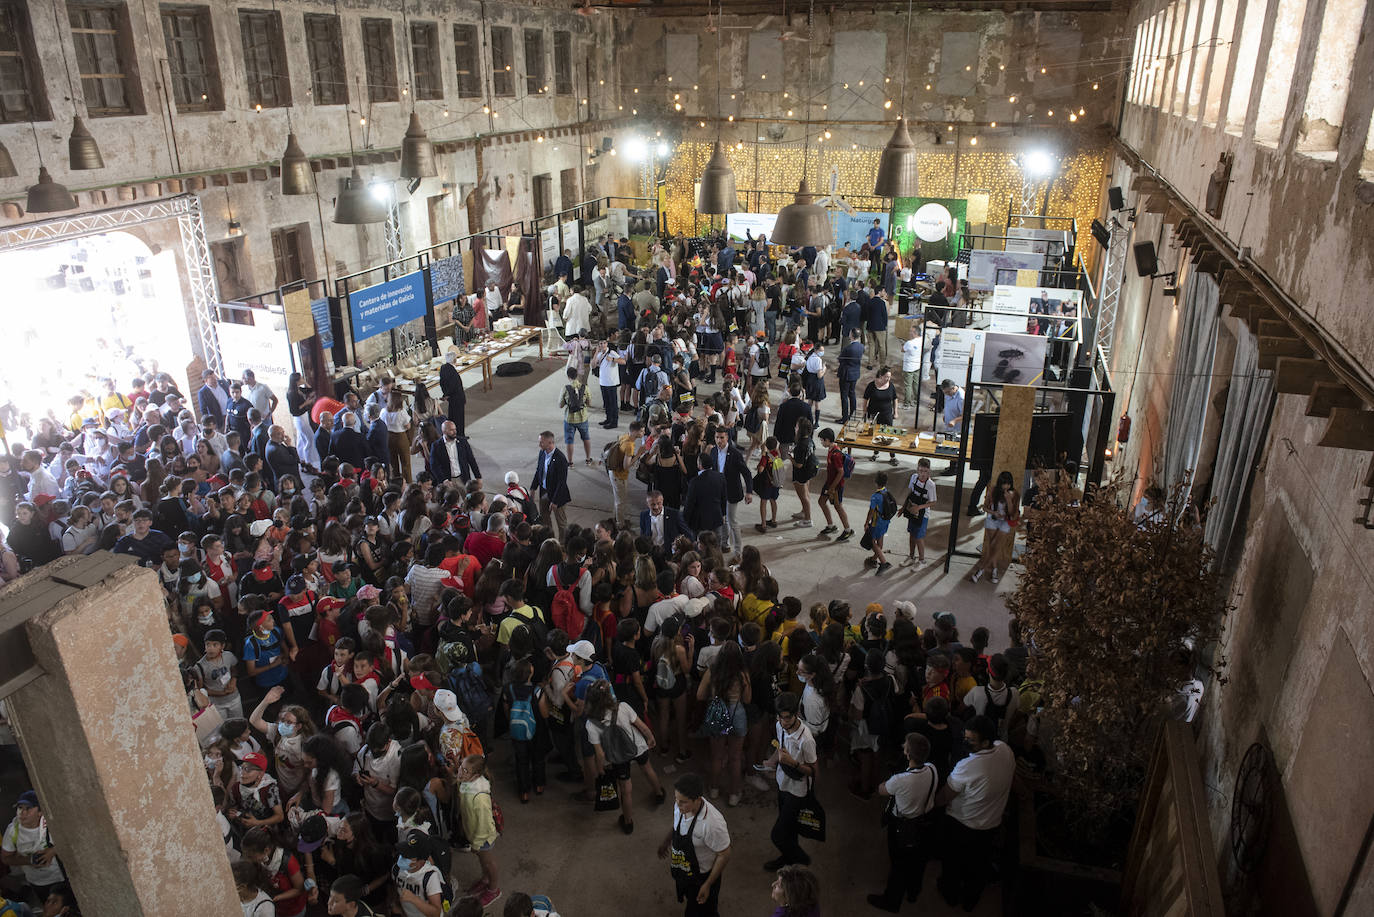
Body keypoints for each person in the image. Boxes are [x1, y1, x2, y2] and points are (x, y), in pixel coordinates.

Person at [935, 716, 1015, 911]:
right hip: (990, 824)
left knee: (952, 863)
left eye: (971, 740)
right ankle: (971, 901)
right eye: (965, 736)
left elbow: (945, 795)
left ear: (985, 742)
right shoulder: (1005, 750)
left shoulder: (968, 767)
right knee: (979, 865)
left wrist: (932, 803)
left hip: (962, 824)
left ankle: (951, 894)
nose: (965, 742)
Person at [867, 733, 939, 912]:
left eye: (905, 746)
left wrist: (887, 782)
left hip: (902, 826)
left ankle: (891, 901)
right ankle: (913, 892)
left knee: (899, 865)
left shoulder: (901, 780)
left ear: (908, 754)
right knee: (918, 861)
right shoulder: (932, 769)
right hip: (924, 822)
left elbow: (881, 790)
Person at [584, 679, 665, 834]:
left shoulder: (591, 724)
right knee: (647, 769)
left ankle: (628, 822)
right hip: (636, 747)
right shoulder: (623, 707)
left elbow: (599, 753)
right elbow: (641, 726)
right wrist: (650, 737)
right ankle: (659, 793)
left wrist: (601, 769)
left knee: (626, 790)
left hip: (617, 756)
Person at [657, 773, 731, 917]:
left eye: (683, 801)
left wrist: (708, 884)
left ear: (697, 799)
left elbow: (725, 854)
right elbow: (677, 825)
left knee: (703, 912)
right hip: (684, 871)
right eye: (676, 799)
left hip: (701, 877)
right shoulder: (681, 806)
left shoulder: (712, 823)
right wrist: (666, 842)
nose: (678, 805)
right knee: (690, 899)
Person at [760, 692, 818, 870]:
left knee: (777, 835)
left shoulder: (806, 739)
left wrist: (793, 763)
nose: (783, 722)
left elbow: (813, 770)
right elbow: (781, 747)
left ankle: (800, 858)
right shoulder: (779, 726)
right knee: (789, 828)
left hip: (798, 791)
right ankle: (788, 858)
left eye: (787, 717)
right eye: (780, 717)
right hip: (782, 783)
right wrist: (773, 762)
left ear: (796, 714)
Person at [1, 791, 63, 903]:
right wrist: (28, 860)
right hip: (38, 882)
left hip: (61, 877)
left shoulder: (51, 823)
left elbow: (71, 841)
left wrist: (52, 851)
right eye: (20, 808)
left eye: (28, 808)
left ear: (40, 812)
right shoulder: (13, 831)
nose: (22, 812)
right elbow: (5, 858)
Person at [706, 428, 752, 562]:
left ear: (727, 438)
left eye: (721, 438)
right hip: (718, 492)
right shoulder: (714, 451)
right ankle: (725, 544)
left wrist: (749, 491)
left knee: (732, 521)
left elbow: (746, 473)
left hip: (732, 492)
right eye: (717, 437)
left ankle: (738, 551)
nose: (719, 440)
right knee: (722, 519)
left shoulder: (735, 453)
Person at [967, 471, 1019, 584]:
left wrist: (1009, 500)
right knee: (993, 546)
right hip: (993, 519)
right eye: (1003, 484)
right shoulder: (993, 491)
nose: (1006, 486)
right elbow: (985, 508)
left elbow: (1012, 513)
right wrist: (994, 513)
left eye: (1008, 484)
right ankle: (994, 570)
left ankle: (980, 571)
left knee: (995, 545)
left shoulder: (1014, 494)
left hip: (1005, 521)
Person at [392, 828, 447, 916]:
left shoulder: (430, 877)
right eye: (402, 853)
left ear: (421, 862)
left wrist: (413, 899)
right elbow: (396, 888)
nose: (402, 858)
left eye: (407, 856)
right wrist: (396, 904)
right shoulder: (396, 869)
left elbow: (436, 912)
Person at [531, 431, 571, 540]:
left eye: (541, 442)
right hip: (544, 492)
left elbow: (561, 482)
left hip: (557, 495)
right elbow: (539, 471)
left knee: (561, 523)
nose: (539, 444)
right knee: (545, 519)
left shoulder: (561, 459)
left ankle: (562, 545)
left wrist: (555, 501)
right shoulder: (542, 453)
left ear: (550, 443)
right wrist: (533, 488)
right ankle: (550, 541)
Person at [814, 429, 852, 541]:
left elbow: (841, 472)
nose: (821, 443)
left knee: (838, 506)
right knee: (821, 502)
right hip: (829, 482)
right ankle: (831, 526)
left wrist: (832, 488)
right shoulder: (831, 449)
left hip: (836, 485)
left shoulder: (835, 454)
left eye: (822, 440)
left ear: (827, 440)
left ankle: (848, 530)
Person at [683, 454, 727, 544]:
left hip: (700, 522)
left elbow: (689, 504)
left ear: (700, 465)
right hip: (716, 518)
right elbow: (724, 498)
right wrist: (723, 514)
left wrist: (684, 520)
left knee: (701, 547)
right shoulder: (720, 477)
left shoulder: (694, 482)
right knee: (716, 545)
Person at [902, 459, 937, 565]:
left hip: (923, 514)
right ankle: (911, 556)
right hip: (912, 511)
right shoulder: (913, 478)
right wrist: (904, 507)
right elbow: (910, 493)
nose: (922, 474)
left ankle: (922, 561)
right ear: (917, 469)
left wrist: (919, 507)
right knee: (912, 534)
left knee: (919, 537)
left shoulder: (931, 485)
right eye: (921, 471)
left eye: (925, 471)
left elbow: (933, 502)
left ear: (929, 472)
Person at [862, 368, 899, 464]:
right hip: (874, 414)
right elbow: (865, 399)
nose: (888, 379)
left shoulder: (891, 386)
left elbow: (895, 399)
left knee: (889, 435)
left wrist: (895, 412)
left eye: (889, 377)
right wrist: (864, 412)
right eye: (887, 377)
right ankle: (875, 453)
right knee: (876, 434)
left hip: (886, 414)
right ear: (881, 376)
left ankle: (892, 456)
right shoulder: (871, 386)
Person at [559, 369, 594, 466]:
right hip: (583, 418)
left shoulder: (565, 388)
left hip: (569, 419)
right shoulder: (585, 387)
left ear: (568, 376)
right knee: (586, 438)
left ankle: (570, 462)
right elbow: (589, 403)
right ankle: (588, 459)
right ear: (577, 375)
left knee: (569, 441)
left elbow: (560, 405)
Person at [592, 339, 626, 430]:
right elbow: (593, 365)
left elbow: (623, 361)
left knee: (613, 403)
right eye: (600, 343)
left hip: (611, 382)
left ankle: (614, 422)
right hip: (603, 382)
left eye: (604, 343)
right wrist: (596, 353)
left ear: (607, 344)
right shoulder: (599, 355)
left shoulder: (612, 353)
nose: (602, 345)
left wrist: (613, 359)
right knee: (606, 403)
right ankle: (608, 419)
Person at [790, 418, 817, 528]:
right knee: (806, 494)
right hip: (808, 471)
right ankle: (804, 512)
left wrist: (790, 458)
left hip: (801, 473)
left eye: (797, 427)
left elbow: (799, 464)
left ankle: (808, 519)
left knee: (803, 496)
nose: (795, 428)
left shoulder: (801, 445)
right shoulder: (810, 440)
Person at [837, 330, 864, 424]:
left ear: (851, 335)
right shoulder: (861, 346)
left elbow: (840, 359)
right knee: (852, 393)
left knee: (844, 396)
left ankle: (844, 417)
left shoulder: (848, 348)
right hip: (855, 373)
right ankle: (853, 414)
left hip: (846, 374)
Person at [439, 350, 467, 436]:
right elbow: (453, 386)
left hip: (451, 398)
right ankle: (460, 435)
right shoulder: (452, 371)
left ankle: (451, 432)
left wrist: (445, 394)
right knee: (459, 417)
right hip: (457, 397)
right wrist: (447, 394)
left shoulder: (443, 368)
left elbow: (442, 383)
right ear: (454, 360)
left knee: (453, 415)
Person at [900, 324, 922, 408]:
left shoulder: (909, 343)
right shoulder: (921, 339)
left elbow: (902, 350)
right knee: (916, 383)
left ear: (914, 333)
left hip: (909, 366)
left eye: (910, 331)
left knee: (908, 385)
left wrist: (904, 344)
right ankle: (916, 400)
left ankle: (907, 404)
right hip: (917, 365)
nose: (909, 333)